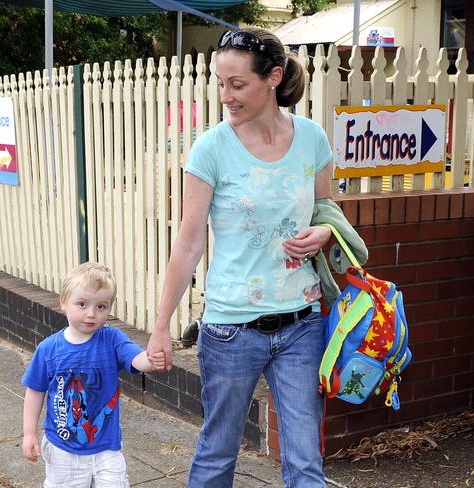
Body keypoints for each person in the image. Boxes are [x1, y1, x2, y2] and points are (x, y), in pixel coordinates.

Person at [146, 27, 333, 487]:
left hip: (301, 322)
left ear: (273, 77)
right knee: (217, 453)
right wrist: (161, 325)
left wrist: (326, 231)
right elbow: (189, 243)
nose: (225, 95)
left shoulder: (312, 139)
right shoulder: (212, 148)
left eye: (237, 84)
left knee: (306, 460)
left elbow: (328, 210)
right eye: (219, 82)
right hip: (230, 328)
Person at [21, 262, 165, 487]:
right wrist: (29, 433)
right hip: (63, 449)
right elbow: (35, 391)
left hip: (106, 447)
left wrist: (152, 358)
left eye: (101, 306)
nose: (91, 314)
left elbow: (137, 358)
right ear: (63, 303)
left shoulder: (112, 339)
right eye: (82, 304)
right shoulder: (49, 349)